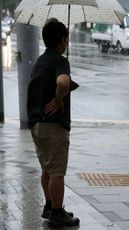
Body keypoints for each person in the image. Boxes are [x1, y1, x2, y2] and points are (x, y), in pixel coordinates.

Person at [27, 19, 80, 227]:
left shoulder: (41, 60)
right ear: (63, 40)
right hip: (52, 126)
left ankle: (49, 205)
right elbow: (62, 82)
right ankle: (57, 213)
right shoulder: (60, 61)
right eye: (66, 39)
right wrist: (59, 99)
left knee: (47, 169)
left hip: (37, 125)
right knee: (57, 172)